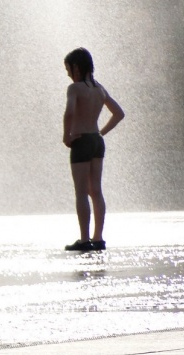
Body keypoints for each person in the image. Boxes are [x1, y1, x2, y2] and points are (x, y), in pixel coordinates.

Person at [62, 48, 125, 251]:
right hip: (96, 141)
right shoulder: (99, 89)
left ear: (77, 67)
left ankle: (84, 239)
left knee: (81, 192)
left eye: (68, 69)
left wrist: (67, 136)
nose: (68, 74)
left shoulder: (75, 89)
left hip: (81, 141)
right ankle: (98, 238)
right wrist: (101, 133)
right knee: (96, 191)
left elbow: (70, 112)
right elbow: (118, 113)